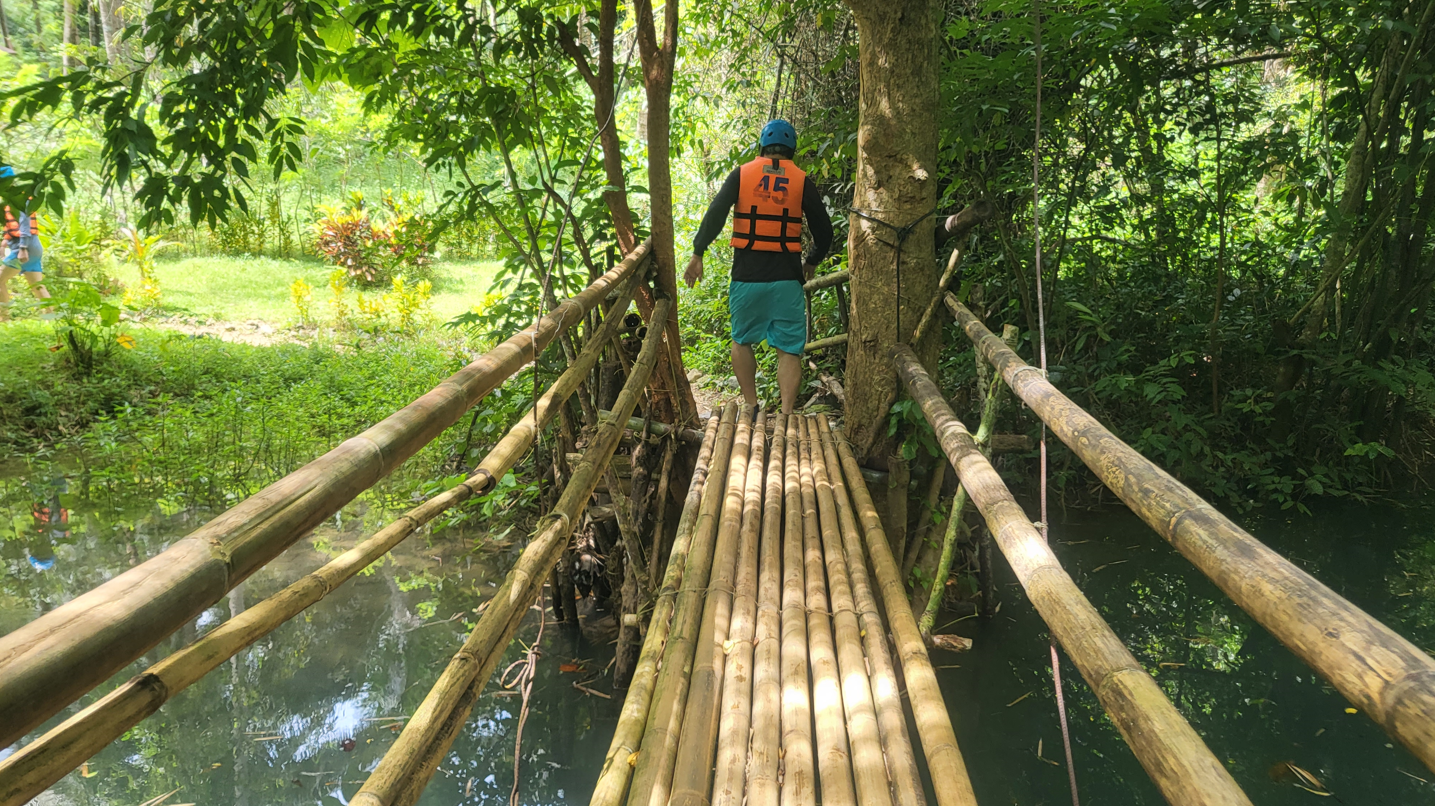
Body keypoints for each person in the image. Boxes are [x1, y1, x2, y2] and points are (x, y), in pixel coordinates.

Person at [685, 119, 833, 415]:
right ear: (791, 149)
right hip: (787, 279)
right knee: (789, 349)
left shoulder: (742, 174)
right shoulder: (801, 180)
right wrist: (812, 261)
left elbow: (716, 213)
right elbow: (825, 231)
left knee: (741, 340)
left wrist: (698, 252)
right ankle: (788, 413)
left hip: (746, 277)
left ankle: (752, 406)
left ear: (762, 147)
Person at [1, 165, 51, 319]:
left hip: (25, 245)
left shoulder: (20, 198)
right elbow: (10, 225)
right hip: (31, 245)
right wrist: (3, 243)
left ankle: (4, 319)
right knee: (37, 287)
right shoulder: (10, 199)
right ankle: (52, 318)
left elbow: (24, 224)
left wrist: (22, 247)